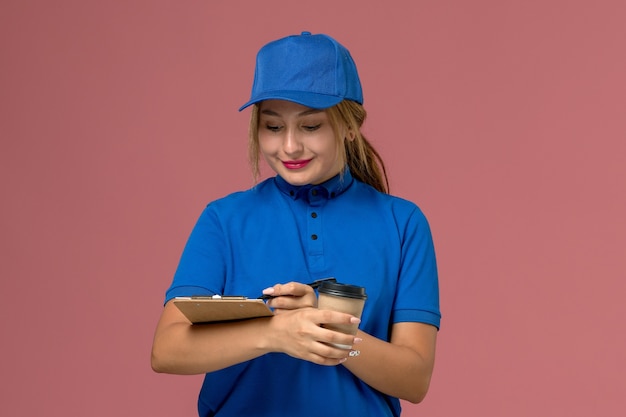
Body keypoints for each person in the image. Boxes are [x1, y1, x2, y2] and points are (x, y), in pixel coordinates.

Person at [151, 31, 441, 417]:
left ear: (350, 126)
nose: (289, 147)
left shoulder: (403, 224)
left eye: (310, 126)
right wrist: (274, 333)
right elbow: (167, 349)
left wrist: (330, 332)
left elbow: (414, 378)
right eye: (273, 127)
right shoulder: (224, 220)